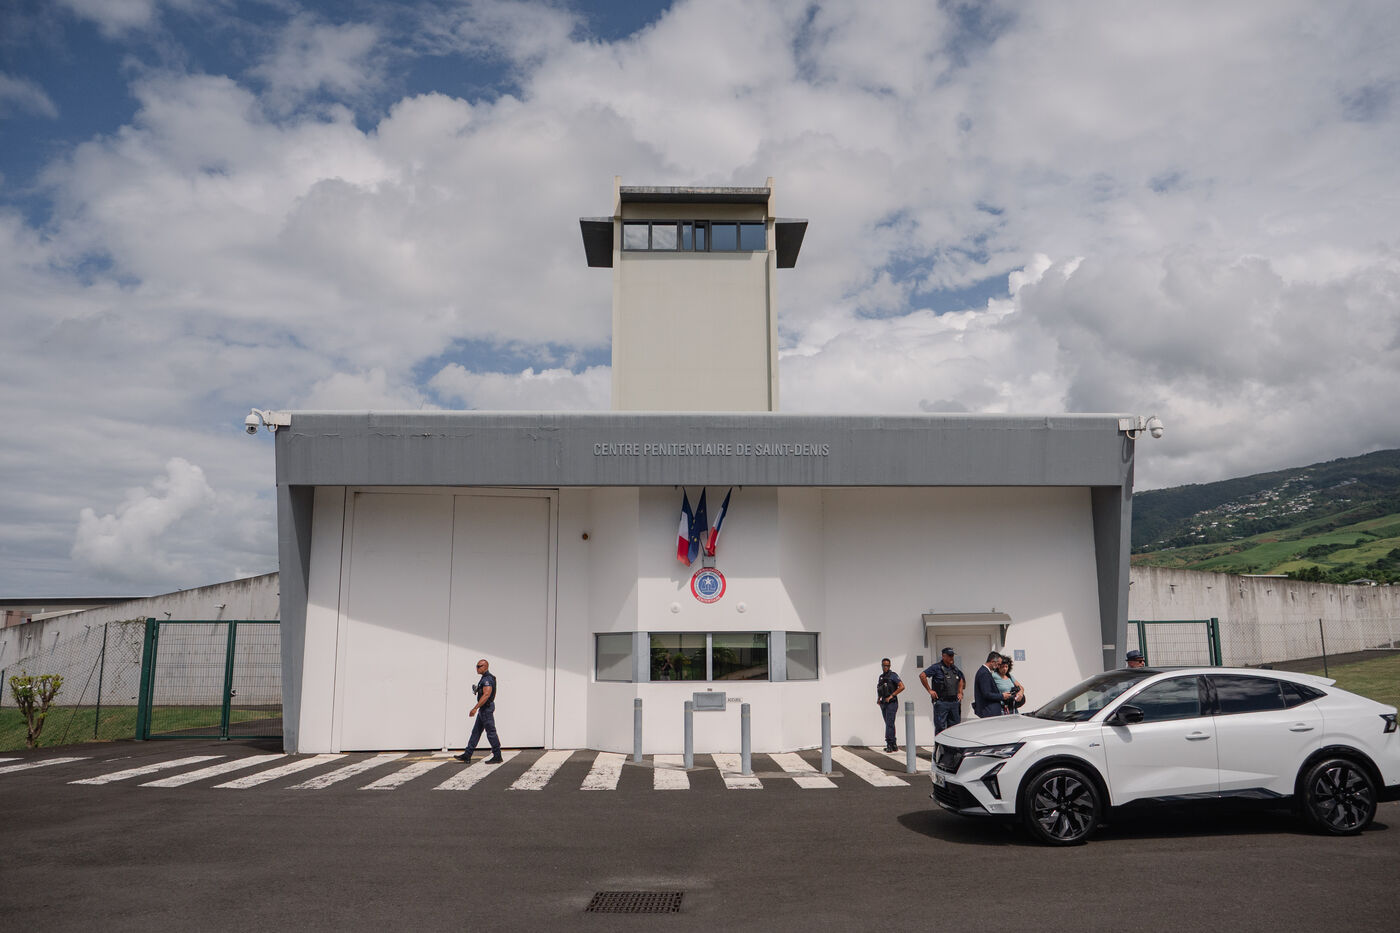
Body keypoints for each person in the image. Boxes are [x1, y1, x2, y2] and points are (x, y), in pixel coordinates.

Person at [455, 659, 503, 764]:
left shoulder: (487, 679)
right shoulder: (484, 678)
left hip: (486, 708)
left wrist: (475, 708)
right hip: (484, 709)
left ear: (485, 667)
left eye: (479, 666)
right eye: (476, 666)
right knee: (476, 732)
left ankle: (497, 755)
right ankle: (467, 754)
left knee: (491, 732)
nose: (477, 668)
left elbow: (486, 695)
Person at [919, 647, 965, 734]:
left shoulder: (954, 669)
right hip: (941, 703)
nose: (952, 658)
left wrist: (960, 692)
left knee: (954, 728)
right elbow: (922, 676)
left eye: (952, 656)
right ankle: (939, 743)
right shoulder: (936, 667)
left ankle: (951, 743)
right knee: (940, 727)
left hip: (954, 702)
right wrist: (930, 690)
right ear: (943, 656)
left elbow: (961, 679)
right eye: (949, 656)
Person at [876, 658, 905, 752]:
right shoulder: (881, 677)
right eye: (884, 665)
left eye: (887, 665)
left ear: (890, 666)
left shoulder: (893, 675)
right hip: (883, 703)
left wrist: (892, 695)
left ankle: (889, 744)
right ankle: (894, 744)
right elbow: (880, 689)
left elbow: (902, 687)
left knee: (889, 724)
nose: (886, 667)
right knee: (889, 724)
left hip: (891, 703)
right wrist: (878, 699)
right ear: (882, 666)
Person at [973, 651, 1006, 718]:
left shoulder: (985, 671)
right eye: (998, 664)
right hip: (988, 711)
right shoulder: (984, 673)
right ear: (992, 661)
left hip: (990, 710)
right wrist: (1002, 696)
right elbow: (987, 694)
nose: (998, 667)